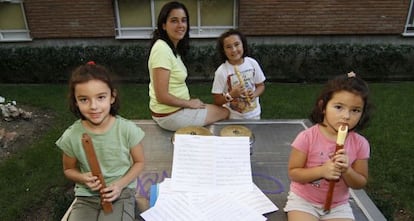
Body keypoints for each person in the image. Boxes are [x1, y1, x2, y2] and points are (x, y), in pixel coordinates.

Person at [56, 61, 145, 221]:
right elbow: (68, 169)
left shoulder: (126, 129)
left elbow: (139, 163)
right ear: (75, 102)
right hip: (86, 196)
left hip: (121, 192)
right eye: (84, 99)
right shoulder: (71, 136)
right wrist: (83, 178)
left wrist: (119, 185)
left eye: (101, 97)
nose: (93, 106)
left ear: (112, 97)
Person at [284, 72, 373, 221]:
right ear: (323, 106)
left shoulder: (360, 144)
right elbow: (294, 173)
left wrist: (347, 171)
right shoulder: (306, 137)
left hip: (338, 206)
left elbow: (360, 182)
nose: (346, 116)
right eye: (339, 107)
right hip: (303, 202)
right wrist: (322, 171)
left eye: (355, 110)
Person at [148, 1, 229, 131]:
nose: (181, 25)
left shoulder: (170, 48)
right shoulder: (161, 49)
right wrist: (189, 103)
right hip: (170, 115)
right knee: (225, 112)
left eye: (183, 20)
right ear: (163, 25)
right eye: (174, 21)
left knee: (213, 109)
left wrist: (188, 103)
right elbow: (161, 96)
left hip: (175, 110)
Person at [211, 29, 266, 119]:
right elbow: (217, 100)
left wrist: (254, 94)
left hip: (254, 115)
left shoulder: (252, 63)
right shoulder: (222, 71)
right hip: (233, 117)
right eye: (228, 47)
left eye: (237, 44)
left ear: (243, 45)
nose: (234, 50)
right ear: (223, 51)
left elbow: (261, 86)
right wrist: (231, 95)